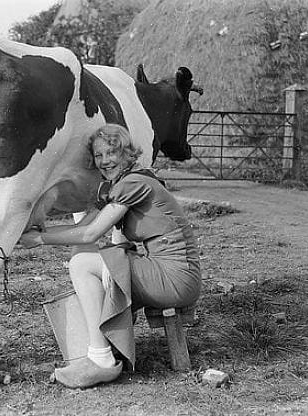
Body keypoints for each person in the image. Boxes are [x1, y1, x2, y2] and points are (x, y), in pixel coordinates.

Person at [20, 123, 202, 389]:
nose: (105, 161)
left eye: (111, 153)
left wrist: (38, 239)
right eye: (98, 155)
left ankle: (101, 359)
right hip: (166, 271)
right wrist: (39, 227)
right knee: (89, 257)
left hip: (175, 276)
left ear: (126, 153)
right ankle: (101, 347)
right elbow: (82, 227)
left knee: (83, 263)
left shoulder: (134, 183)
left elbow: (91, 233)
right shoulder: (123, 184)